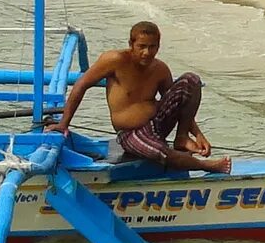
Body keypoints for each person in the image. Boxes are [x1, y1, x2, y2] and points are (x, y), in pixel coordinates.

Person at [49, 19, 231, 173]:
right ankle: (208, 166)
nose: (147, 53)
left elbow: (179, 104)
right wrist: (64, 123)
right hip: (130, 134)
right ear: (131, 44)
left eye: (152, 47)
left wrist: (197, 134)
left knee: (191, 80)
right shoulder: (115, 60)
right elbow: (81, 86)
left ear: (158, 46)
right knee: (161, 152)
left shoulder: (160, 69)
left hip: (157, 125)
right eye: (141, 47)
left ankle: (181, 137)